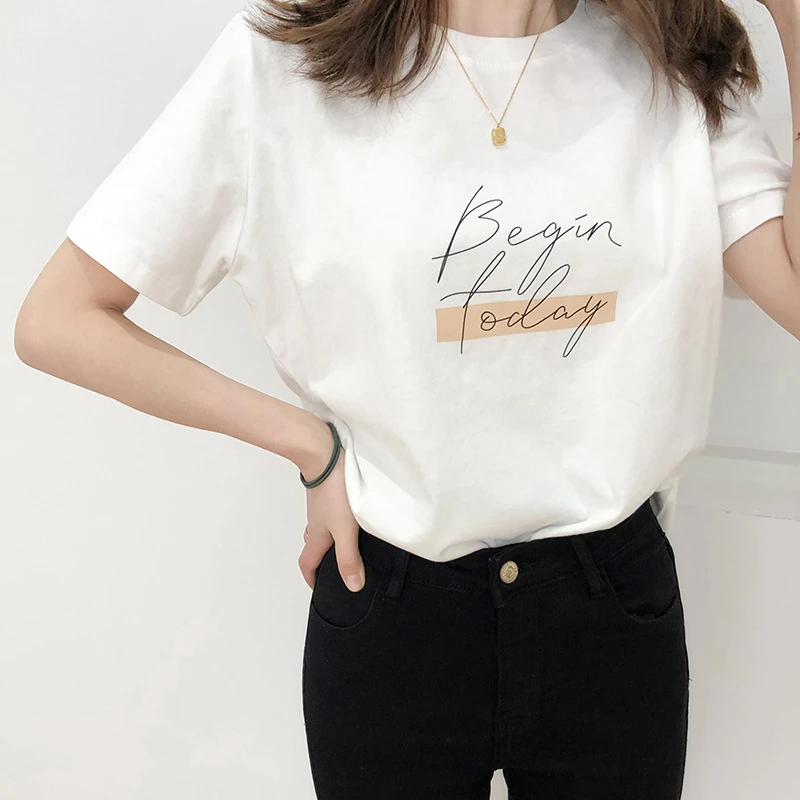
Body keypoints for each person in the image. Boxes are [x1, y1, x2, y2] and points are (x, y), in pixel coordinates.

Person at [14, 0, 800, 797]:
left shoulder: (676, 57)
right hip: (392, 605)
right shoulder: (286, 61)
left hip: (612, 610)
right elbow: (58, 320)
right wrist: (306, 442)